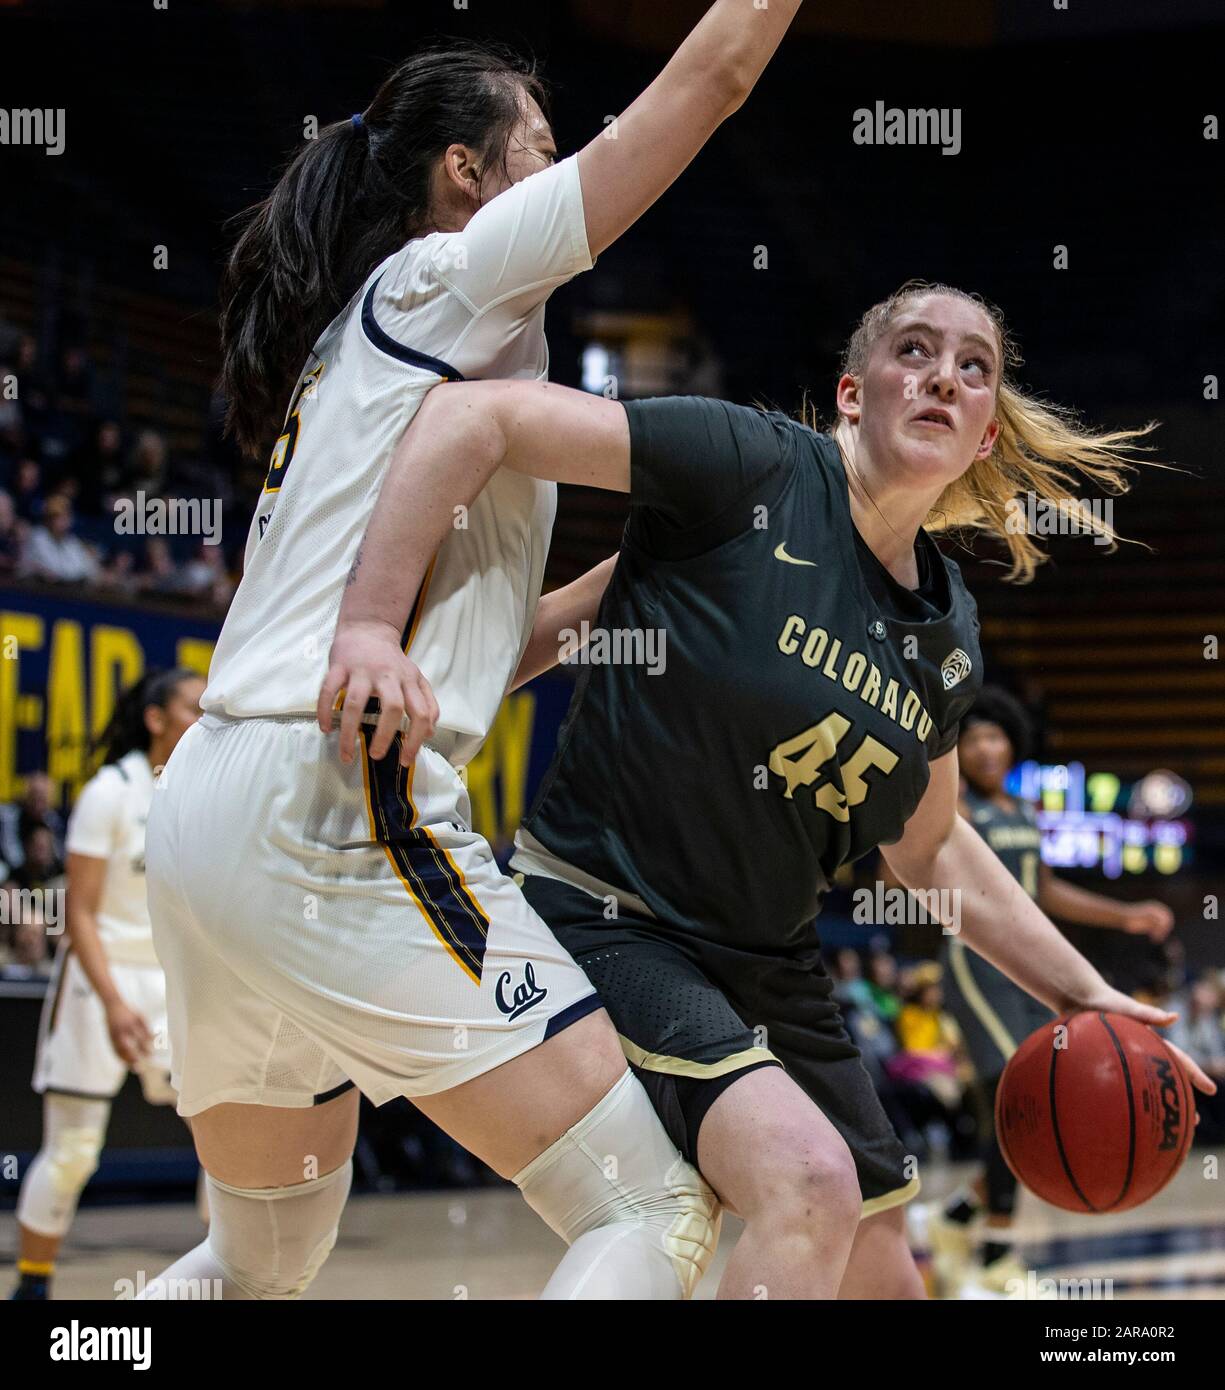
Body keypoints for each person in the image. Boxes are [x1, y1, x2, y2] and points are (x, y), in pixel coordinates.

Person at [333, 280, 1218, 1299]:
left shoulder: (947, 635)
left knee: (886, 1276)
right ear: (852, 392)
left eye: (974, 368)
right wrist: (370, 632)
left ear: (982, 438)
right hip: (612, 912)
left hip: (769, 966)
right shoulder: (747, 463)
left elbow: (930, 848)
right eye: (915, 351)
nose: (943, 375)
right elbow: (475, 416)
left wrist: (1078, 989)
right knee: (807, 1187)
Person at [143, 7, 803, 1303]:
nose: (563, 168)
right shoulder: (451, 278)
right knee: (652, 1205)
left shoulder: (364, 346)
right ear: (467, 173)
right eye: (543, 146)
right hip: (325, 802)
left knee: (256, 1255)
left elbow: (480, 657)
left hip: (215, 809)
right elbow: (713, 78)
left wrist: (673, 556)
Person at [926, 685, 1177, 1296]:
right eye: (973, 737)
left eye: (995, 735)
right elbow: (902, 868)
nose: (985, 747)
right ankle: (995, 1258)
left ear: (1013, 743)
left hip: (1025, 969)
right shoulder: (952, 806)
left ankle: (955, 1218)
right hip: (973, 963)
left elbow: (1044, 895)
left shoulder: (1022, 812)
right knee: (1021, 1101)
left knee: (1033, 1107)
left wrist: (1125, 916)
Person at [9, 669, 204, 1300]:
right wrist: (118, 1004)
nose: (205, 718)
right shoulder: (109, 792)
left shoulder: (206, 793)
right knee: (72, 1153)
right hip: (103, 979)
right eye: (192, 707)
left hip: (175, 979)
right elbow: (80, 916)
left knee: (226, 1137)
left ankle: (242, 1275)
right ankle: (33, 1287)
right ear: (156, 718)